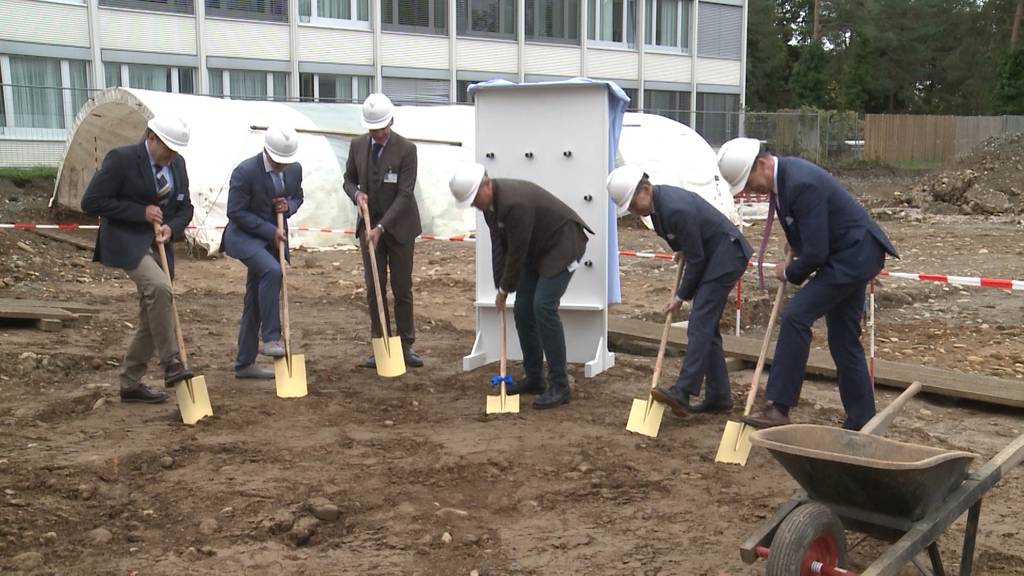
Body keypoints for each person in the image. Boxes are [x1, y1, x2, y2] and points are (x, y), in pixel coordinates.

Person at [717, 138, 898, 430]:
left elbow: (816, 253)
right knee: (842, 338)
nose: (751, 191)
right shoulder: (786, 180)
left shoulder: (800, 183)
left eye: (749, 183)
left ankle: (779, 407)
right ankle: (862, 418)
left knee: (795, 317)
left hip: (852, 256)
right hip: (852, 254)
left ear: (762, 165)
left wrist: (789, 273)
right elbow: (813, 229)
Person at [606, 166, 752, 415]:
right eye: (628, 207)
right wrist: (684, 247)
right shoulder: (658, 208)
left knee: (699, 323)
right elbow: (691, 245)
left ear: (645, 189)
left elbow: (696, 259)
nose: (632, 210)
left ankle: (683, 391)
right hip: (712, 254)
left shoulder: (675, 208)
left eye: (632, 204)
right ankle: (719, 397)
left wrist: (681, 296)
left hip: (727, 255)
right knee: (707, 328)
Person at [449, 164, 593, 410]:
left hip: (563, 244)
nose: (473, 204)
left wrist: (505, 289)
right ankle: (535, 377)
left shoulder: (515, 203)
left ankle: (560, 385)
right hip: (537, 250)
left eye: (474, 198)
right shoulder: (489, 206)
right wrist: (500, 286)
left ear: (486, 184)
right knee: (523, 309)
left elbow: (517, 251)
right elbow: (499, 244)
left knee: (543, 307)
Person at [81, 115, 194, 404]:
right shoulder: (122, 159)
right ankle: (171, 363)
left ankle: (130, 384)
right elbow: (92, 201)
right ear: (152, 138)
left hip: (160, 244)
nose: (171, 156)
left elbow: (185, 206)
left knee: (152, 314)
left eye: (176, 151)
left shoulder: (176, 164)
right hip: (126, 240)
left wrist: (173, 227)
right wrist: (140, 212)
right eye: (168, 149)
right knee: (159, 288)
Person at [343, 93, 423, 368]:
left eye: (381, 129)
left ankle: (405, 344)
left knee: (402, 288)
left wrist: (381, 227)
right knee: (373, 287)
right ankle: (380, 341)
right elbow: (348, 180)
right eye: (373, 130)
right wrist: (356, 195)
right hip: (369, 229)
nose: (377, 134)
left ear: (391, 121)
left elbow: (404, 194)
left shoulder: (406, 150)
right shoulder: (357, 146)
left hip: (399, 229)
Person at [221, 126, 304, 379]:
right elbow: (235, 212)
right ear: (267, 151)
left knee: (255, 302)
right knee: (272, 270)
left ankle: (245, 364)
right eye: (279, 161)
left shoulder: (294, 169)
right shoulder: (245, 172)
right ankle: (271, 338)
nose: (283, 166)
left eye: (286, 162)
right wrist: (269, 230)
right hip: (245, 236)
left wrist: (288, 205)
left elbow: (298, 196)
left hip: (270, 240)